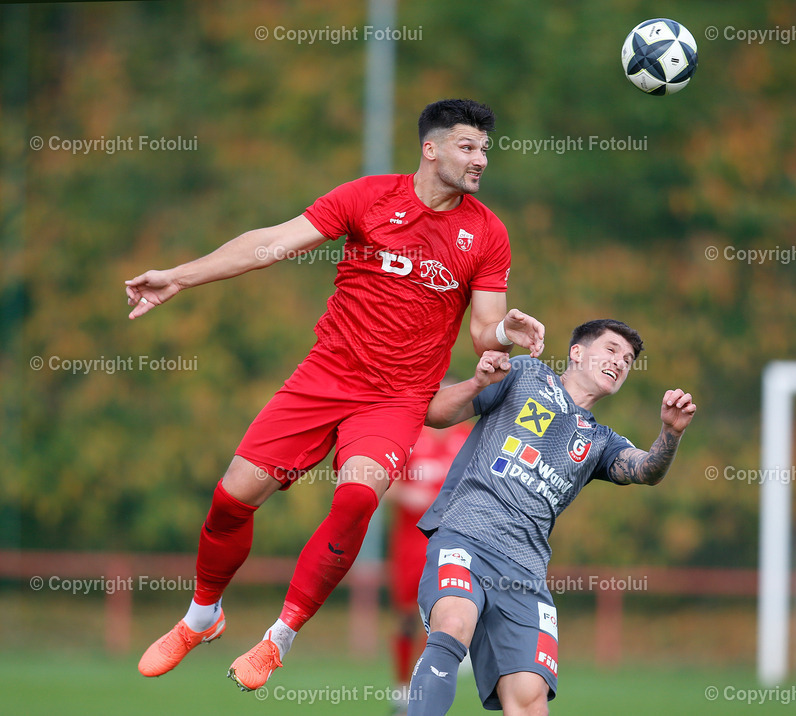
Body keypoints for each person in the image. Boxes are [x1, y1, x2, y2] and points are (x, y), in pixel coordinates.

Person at [128, 98, 545, 692]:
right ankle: (203, 616)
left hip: (398, 398)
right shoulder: (368, 197)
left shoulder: (486, 232)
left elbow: (483, 329)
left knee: (354, 500)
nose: (480, 160)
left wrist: (505, 333)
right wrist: (179, 276)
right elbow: (272, 242)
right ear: (431, 149)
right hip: (326, 375)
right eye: (467, 147)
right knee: (231, 498)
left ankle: (279, 639)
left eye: (485, 149)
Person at [407, 319, 696, 715]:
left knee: (530, 700)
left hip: (524, 572)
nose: (620, 362)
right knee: (453, 623)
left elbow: (646, 470)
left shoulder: (601, 441)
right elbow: (435, 415)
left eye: (628, 359)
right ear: (576, 352)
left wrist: (671, 434)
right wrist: (476, 382)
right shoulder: (526, 373)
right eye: (611, 350)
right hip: (466, 535)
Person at [386, 378, 472, 715]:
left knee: (444, 614)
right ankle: (401, 689)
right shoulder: (411, 437)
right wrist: (410, 495)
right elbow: (385, 485)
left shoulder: (467, 439)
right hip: (409, 542)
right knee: (408, 617)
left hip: (452, 542)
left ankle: (427, 692)